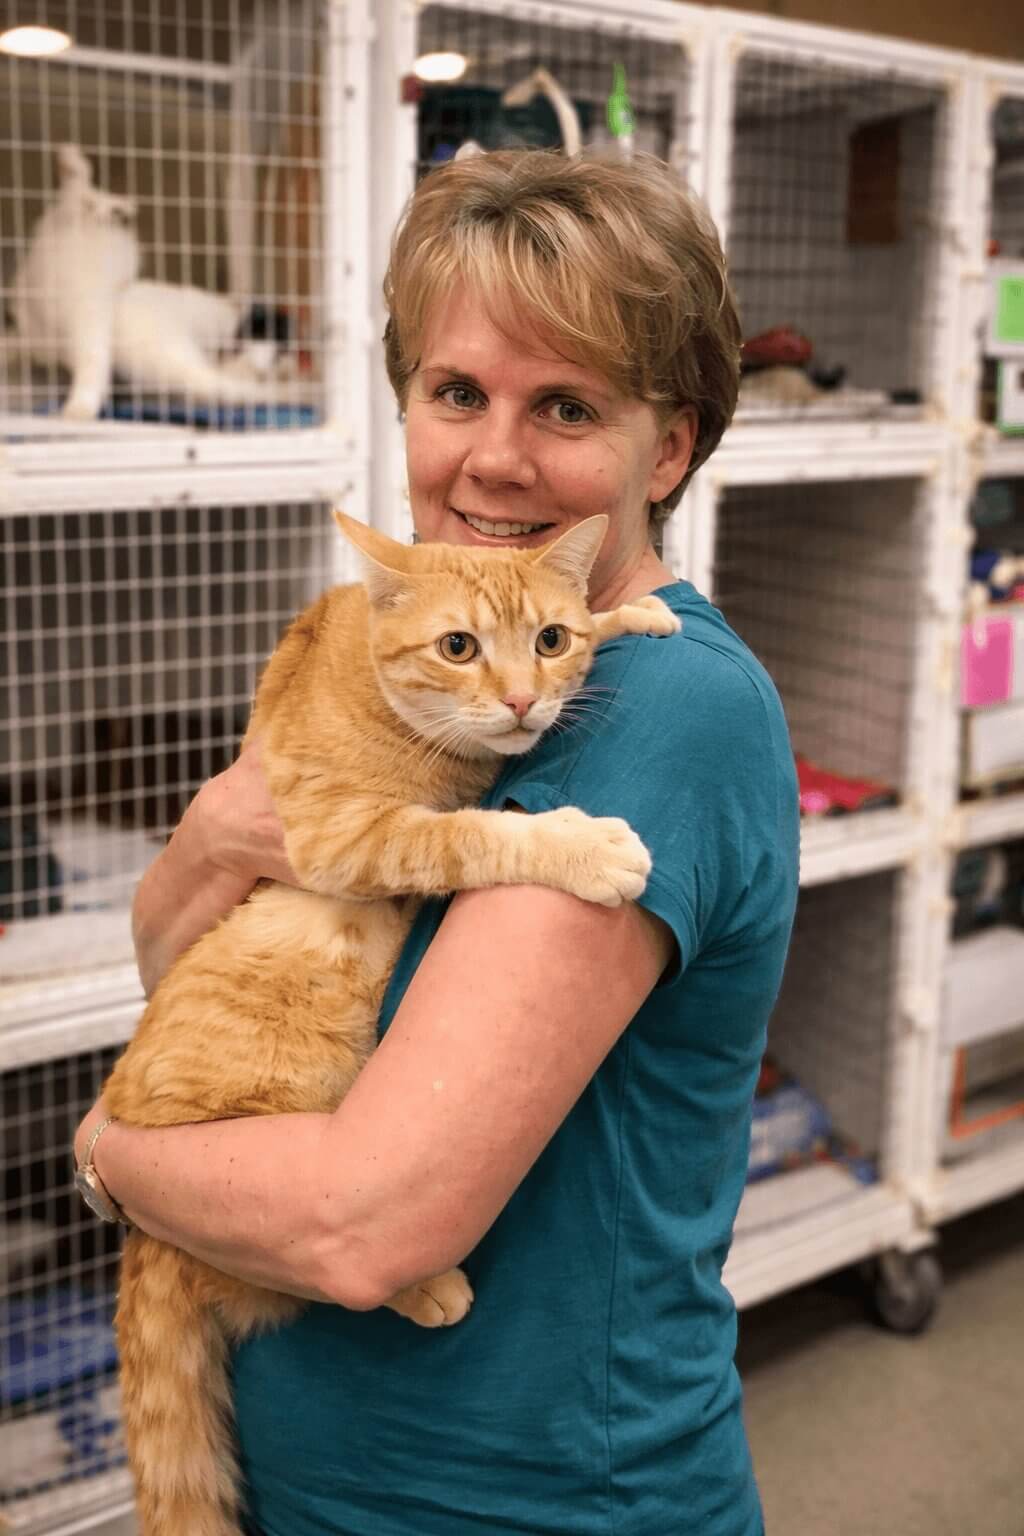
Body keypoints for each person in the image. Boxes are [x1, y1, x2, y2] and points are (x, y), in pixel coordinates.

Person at [75, 150, 799, 1536]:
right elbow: (172, 959)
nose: (494, 458)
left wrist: (114, 1156)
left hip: (526, 1503)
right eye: (458, 392)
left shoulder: (662, 711)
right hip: (309, 1476)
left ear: (668, 448)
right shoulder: (391, 647)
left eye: (567, 406)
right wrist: (221, 835)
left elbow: (363, 1228)